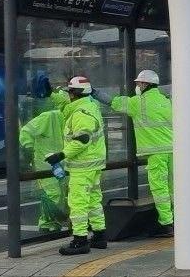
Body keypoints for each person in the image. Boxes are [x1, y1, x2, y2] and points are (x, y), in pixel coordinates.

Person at [95, 70, 175, 238]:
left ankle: (166, 224)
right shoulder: (166, 101)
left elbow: (114, 102)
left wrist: (94, 93)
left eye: (138, 83)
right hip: (174, 151)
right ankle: (178, 220)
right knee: (173, 187)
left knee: (160, 189)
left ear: (145, 84)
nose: (137, 86)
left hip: (156, 153)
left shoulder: (138, 102)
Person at [45, 76, 107, 256]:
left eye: (69, 92)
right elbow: (64, 103)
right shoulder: (90, 105)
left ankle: (80, 240)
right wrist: (51, 94)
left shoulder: (80, 113)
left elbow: (82, 140)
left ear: (74, 94)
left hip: (83, 165)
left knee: (78, 202)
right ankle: (99, 235)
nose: (67, 95)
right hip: (93, 164)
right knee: (94, 200)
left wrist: (60, 155)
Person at [18, 107, 68, 232]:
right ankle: (46, 223)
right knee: (53, 193)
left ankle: (54, 222)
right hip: (44, 163)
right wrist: (29, 148)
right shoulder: (49, 117)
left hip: (61, 162)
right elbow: (26, 131)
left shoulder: (74, 118)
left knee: (62, 194)